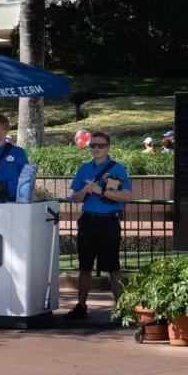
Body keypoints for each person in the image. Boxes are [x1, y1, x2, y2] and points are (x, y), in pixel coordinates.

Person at [65, 131, 133, 320]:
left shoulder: (117, 169)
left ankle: (120, 308)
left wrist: (100, 190)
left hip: (108, 221)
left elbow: (127, 196)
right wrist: (85, 191)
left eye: (100, 145)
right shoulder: (84, 169)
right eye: (93, 145)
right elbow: (75, 198)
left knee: (113, 267)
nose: (96, 149)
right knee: (84, 266)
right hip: (88, 220)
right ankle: (81, 306)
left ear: (108, 147)